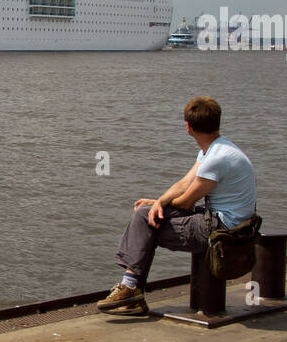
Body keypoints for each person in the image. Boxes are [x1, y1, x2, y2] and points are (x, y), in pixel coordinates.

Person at [97, 96, 256, 315]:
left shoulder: (215, 159)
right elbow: (184, 183)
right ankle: (132, 290)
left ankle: (130, 288)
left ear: (188, 127)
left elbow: (186, 201)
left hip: (224, 233)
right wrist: (158, 202)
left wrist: (156, 209)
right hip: (230, 223)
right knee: (148, 215)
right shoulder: (217, 149)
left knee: (146, 223)